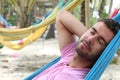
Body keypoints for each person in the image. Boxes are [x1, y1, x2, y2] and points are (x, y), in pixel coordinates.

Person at [33, 10, 120, 80]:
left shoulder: (71, 77)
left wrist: (86, 39)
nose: (90, 39)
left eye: (100, 41)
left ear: (105, 53)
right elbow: (61, 15)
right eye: (92, 32)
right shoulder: (70, 54)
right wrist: (85, 38)